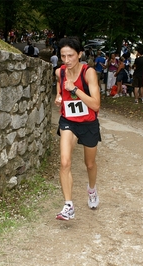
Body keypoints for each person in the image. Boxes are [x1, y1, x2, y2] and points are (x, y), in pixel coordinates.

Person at [54, 36, 101, 221]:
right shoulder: (60, 72)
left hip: (88, 123)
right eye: (63, 56)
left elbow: (96, 105)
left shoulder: (88, 73)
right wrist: (59, 95)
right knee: (65, 162)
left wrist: (74, 90)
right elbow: (60, 85)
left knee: (89, 164)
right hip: (69, 121)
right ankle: (68, 206)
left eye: (71, 56)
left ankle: (91, 189)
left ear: (79, 54)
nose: (67, 60)